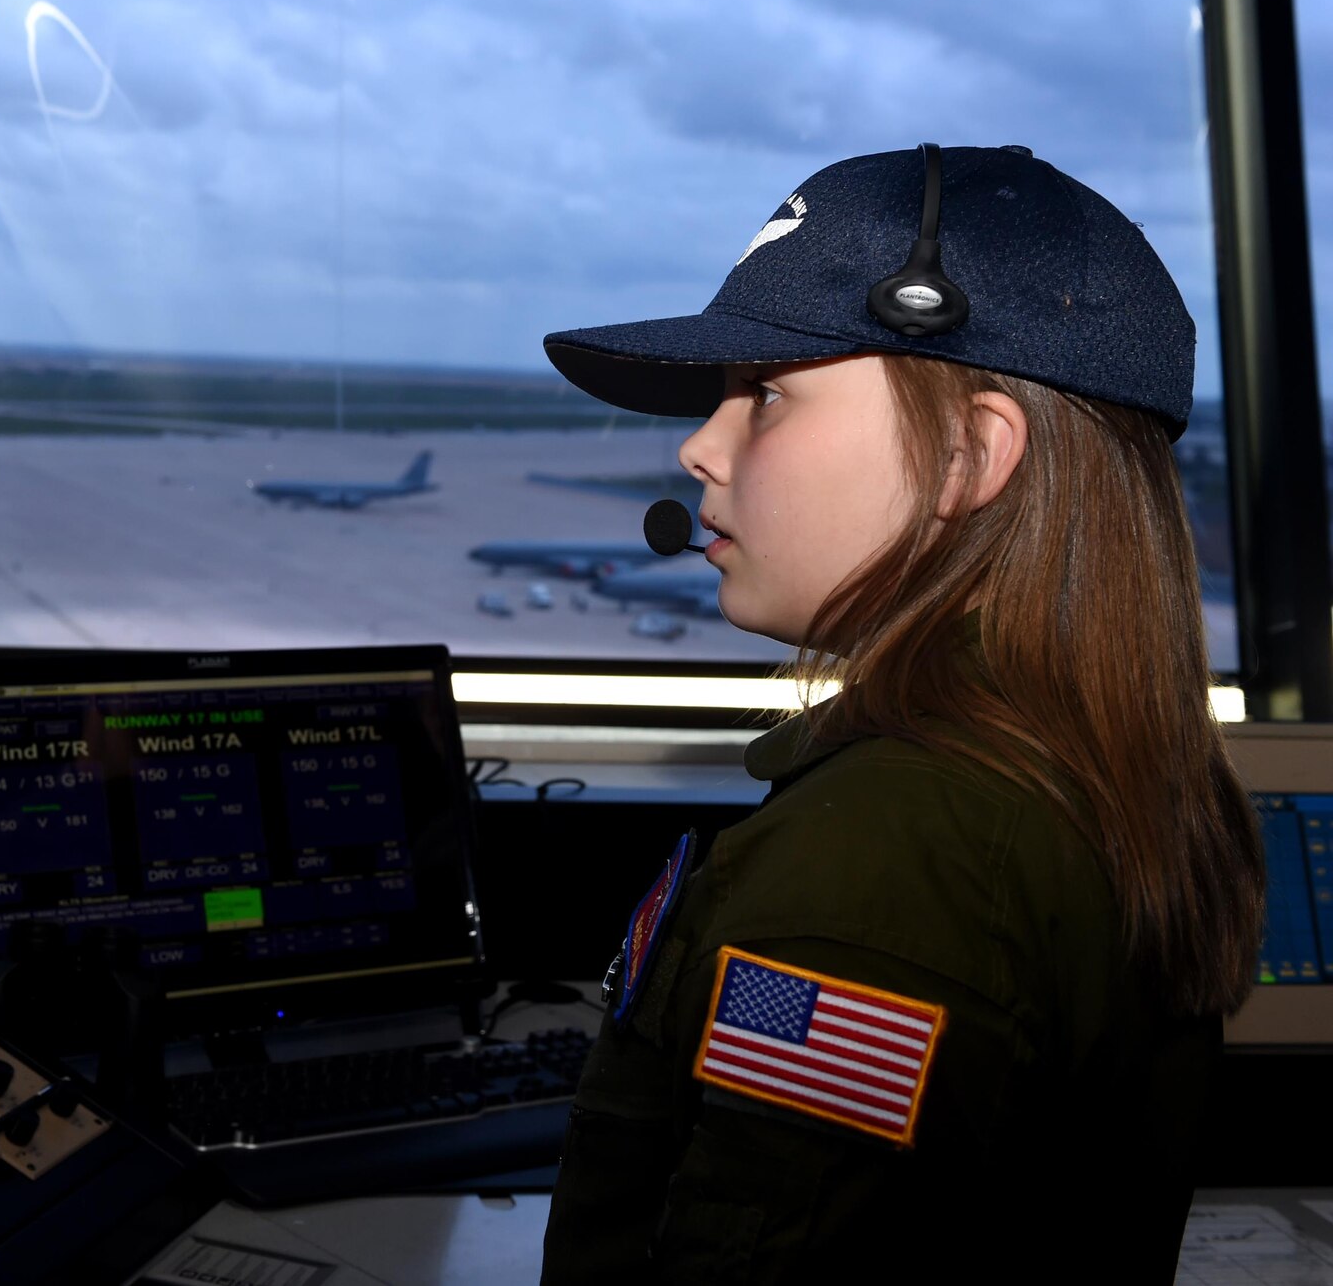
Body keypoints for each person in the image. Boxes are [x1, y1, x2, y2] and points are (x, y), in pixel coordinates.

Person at [535, 144, 1264, 1284]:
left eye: (763, 395)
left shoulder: (881, 864)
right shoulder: (1070, 769)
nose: (699, 446)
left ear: (966, 456)